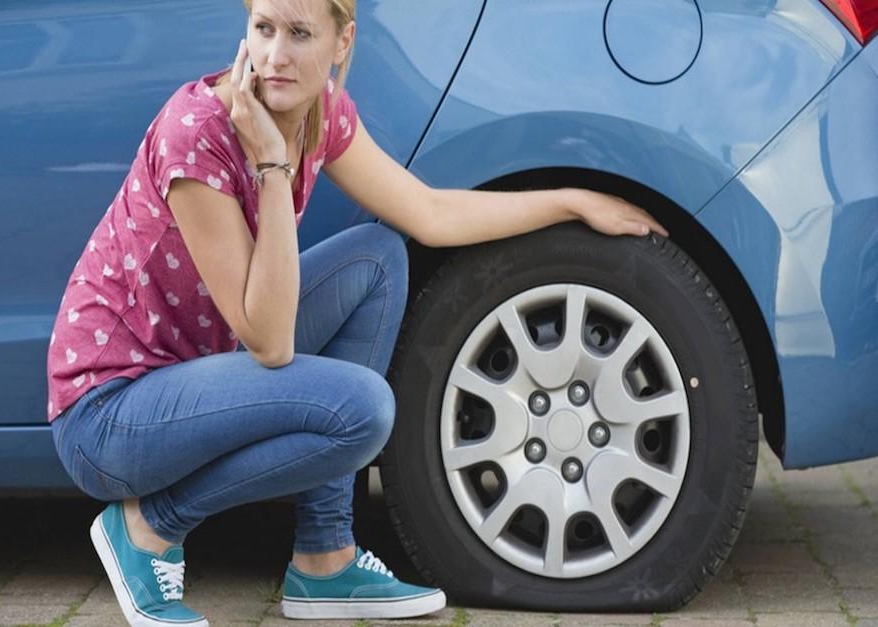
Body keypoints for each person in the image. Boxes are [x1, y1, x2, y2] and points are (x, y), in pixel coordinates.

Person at [45, 0, 669, 624]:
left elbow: (429, 215)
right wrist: (270, 163)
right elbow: (268, 342)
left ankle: (325, 560)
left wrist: (571, 201)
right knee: (363, 410)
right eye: (262, 29)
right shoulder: (199, 131)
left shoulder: (322, 114)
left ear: (342, 43)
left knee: (378, 258)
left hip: (198, 376)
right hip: (111, 415)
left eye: (298, 34)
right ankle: (149, 527)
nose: (275, 56)